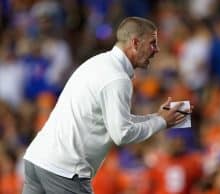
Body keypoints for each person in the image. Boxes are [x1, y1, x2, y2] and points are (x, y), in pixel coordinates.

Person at [22, 17, 189, 194]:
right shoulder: (117, 78)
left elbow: (113, 121)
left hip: (37, 160)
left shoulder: (98, 63)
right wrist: (161, 123)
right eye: (152, 43)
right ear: (135, 43)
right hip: (64, 170)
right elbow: (121, 134)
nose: (156, 50)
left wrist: (157, 117)